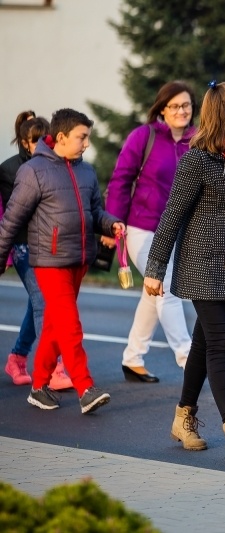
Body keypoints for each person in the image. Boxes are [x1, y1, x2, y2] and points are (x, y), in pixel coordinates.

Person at [143, 81, 225, 460]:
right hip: (202, 262)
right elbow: (172, 214)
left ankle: (183, 417)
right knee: (220, 340)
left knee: (204, 342)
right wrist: (155, 267)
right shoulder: (197, 160)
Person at [0, 108, 123, 414]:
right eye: (82, 137)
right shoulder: (34, 172)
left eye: (88, 138)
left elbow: (95, 213)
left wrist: (111, 225)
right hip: (49, 262)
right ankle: (85, 387)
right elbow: (12, 220)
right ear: (62, 137)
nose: (86, 144)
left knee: (55, 326)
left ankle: (39, 386)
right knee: (70, 326)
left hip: (79, 259)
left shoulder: (86, 171)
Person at [105, 81, 197, 382]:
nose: (181, 111)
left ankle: (133, 358)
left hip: (177, 232)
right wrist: (112, 221)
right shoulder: (143, 137)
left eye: (186, 105)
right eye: (174, 106)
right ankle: (188, 358)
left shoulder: (197, 141)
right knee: (166, 288)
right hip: (142, 229)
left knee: (152, 294)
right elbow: (120, 179)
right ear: (161, 110)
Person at [1, 114, 73, 390]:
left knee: (38, 303)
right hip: (22, 246)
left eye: (46, 139)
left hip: (48, 245)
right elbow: (12, 215)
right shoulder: (9, 170)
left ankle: (17, 358)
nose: (42, 144)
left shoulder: (55, 165)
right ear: (23, 142)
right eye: (35, 140)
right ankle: (54, 369)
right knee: (44, 301)